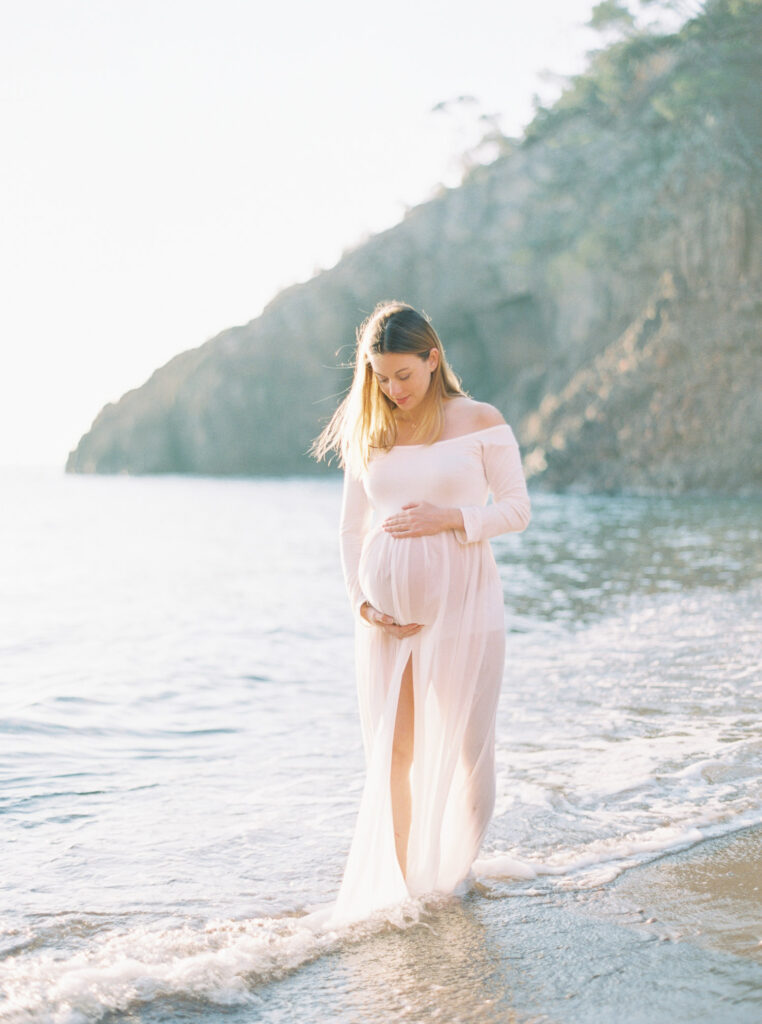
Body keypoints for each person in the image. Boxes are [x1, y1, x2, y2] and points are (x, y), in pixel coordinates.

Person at [311, 300, 531, 926]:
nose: (391, 389)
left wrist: (453, 519)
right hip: (388, 623)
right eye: (379, 376)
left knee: (468, 746)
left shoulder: (479, 420)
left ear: (433, 359)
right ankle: (409, 893)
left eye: (403, 374)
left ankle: (453, 882)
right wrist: (361, 601)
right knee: (397, 753)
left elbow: (516, 509)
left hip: (467, 605)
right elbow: (352, 530)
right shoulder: (371, 429)